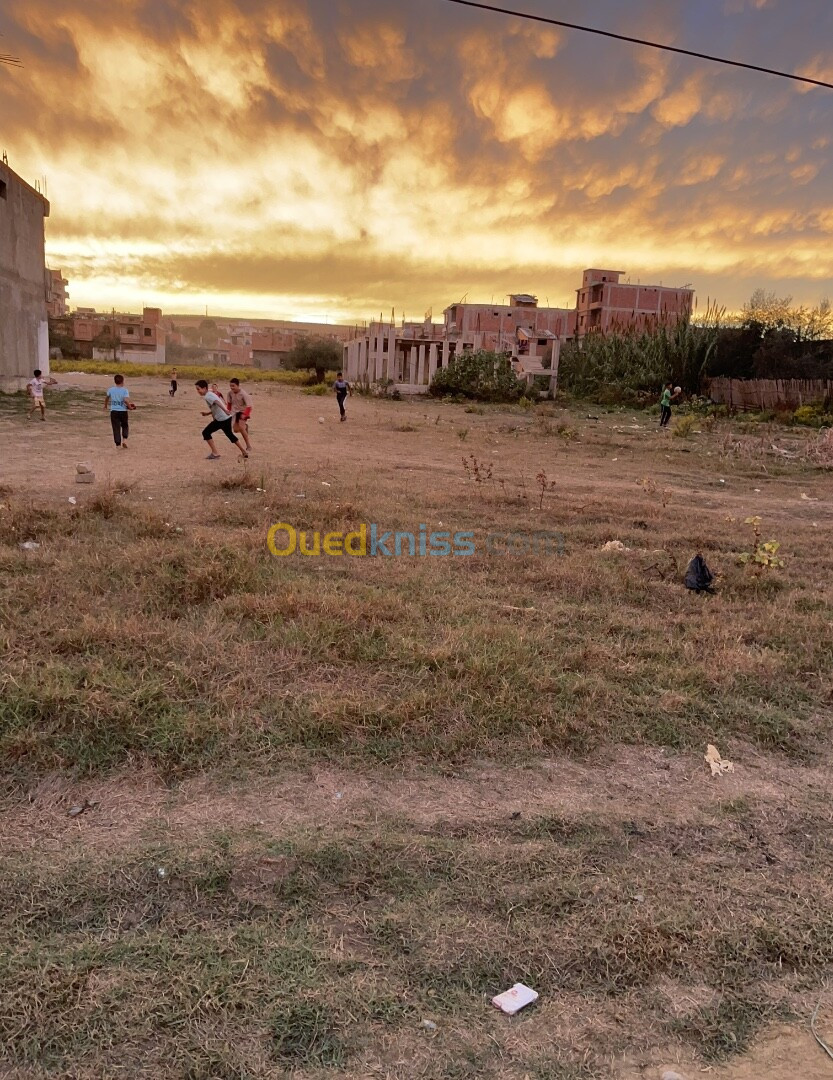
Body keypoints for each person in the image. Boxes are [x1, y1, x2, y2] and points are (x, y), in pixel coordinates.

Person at [195, 379, 248, 460]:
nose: (198, 391)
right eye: (197, 389)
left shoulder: (208, 396)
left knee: (206, 432)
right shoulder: (210, 394)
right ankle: (244, 451)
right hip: (226, 418)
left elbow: (217, 402)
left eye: (198, 389)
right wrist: (207, 413)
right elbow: (215, 407)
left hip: (221, 419)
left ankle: (215, 453)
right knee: (230, 435)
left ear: (205, 388)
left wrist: (225, 410)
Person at [104, 373, 131, 448]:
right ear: (122, 381)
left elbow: (107, 398)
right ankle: (125, 440)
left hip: (114, 411)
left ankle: (118, 444)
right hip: (123, 411)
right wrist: (130, 407)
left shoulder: (111, 389)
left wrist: (105, 405)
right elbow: (125, 400)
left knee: (116, 427)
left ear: (115, 381)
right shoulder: (125, 390)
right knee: (125, 425)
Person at [228, 377, 253, 452]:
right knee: (235, 430)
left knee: (241, 427)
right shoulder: (230, 393)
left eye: (233, 386)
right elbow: (229, 404)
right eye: (231, 386)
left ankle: (248, 446)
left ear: (238, 385)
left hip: (243, 411)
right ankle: (245, 427)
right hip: (234, 412)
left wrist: (245, 414)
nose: (232, 388)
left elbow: (249, 406)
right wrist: (228, 412)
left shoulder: (243, 394)